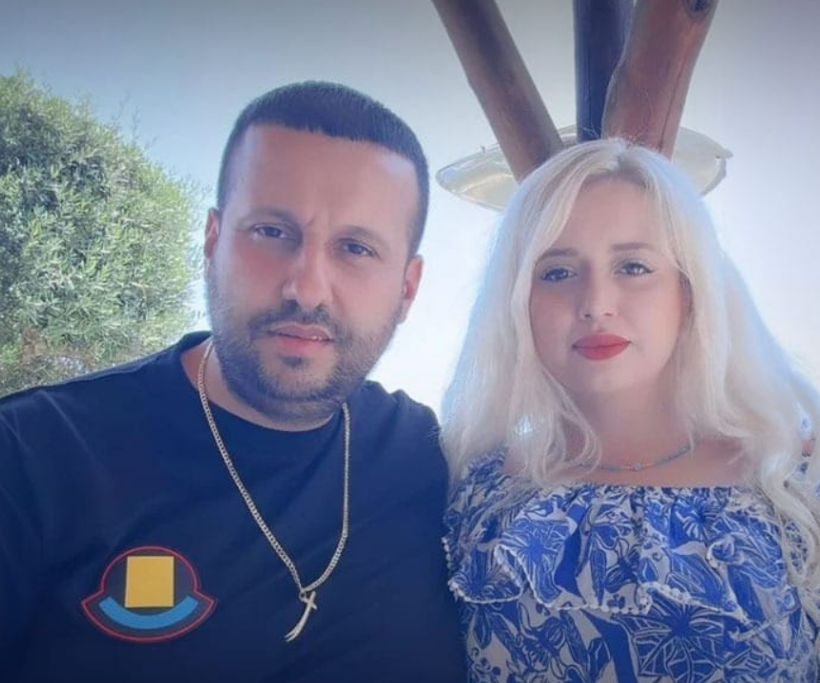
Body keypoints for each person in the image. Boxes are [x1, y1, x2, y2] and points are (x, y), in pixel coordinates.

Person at [0, 82, 466, 683]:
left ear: (406, 288)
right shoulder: (33, 457)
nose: (307, 288)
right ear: (213, 240)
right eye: (271, 232)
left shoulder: (426, 457)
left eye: (355, 248)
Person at [441, 138, 820, 682]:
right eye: (557, 272)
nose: (596, 304)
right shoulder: (474, 490)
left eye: (634, 267)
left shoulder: (793, 480)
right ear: (519, 301)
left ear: (689, 291)